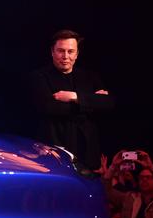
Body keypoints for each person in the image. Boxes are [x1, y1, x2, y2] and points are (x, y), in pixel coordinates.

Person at [28, 29, 114, 169]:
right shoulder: (39, 76)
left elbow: (108, 103)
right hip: (55, 151)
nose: (65, 56)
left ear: (77, 54)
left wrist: (74, 97)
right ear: (52, 52)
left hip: (88, 153)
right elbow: (50, 108)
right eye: (61, 51)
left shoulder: (90, 76)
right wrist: (92, 101)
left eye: (70, 51)